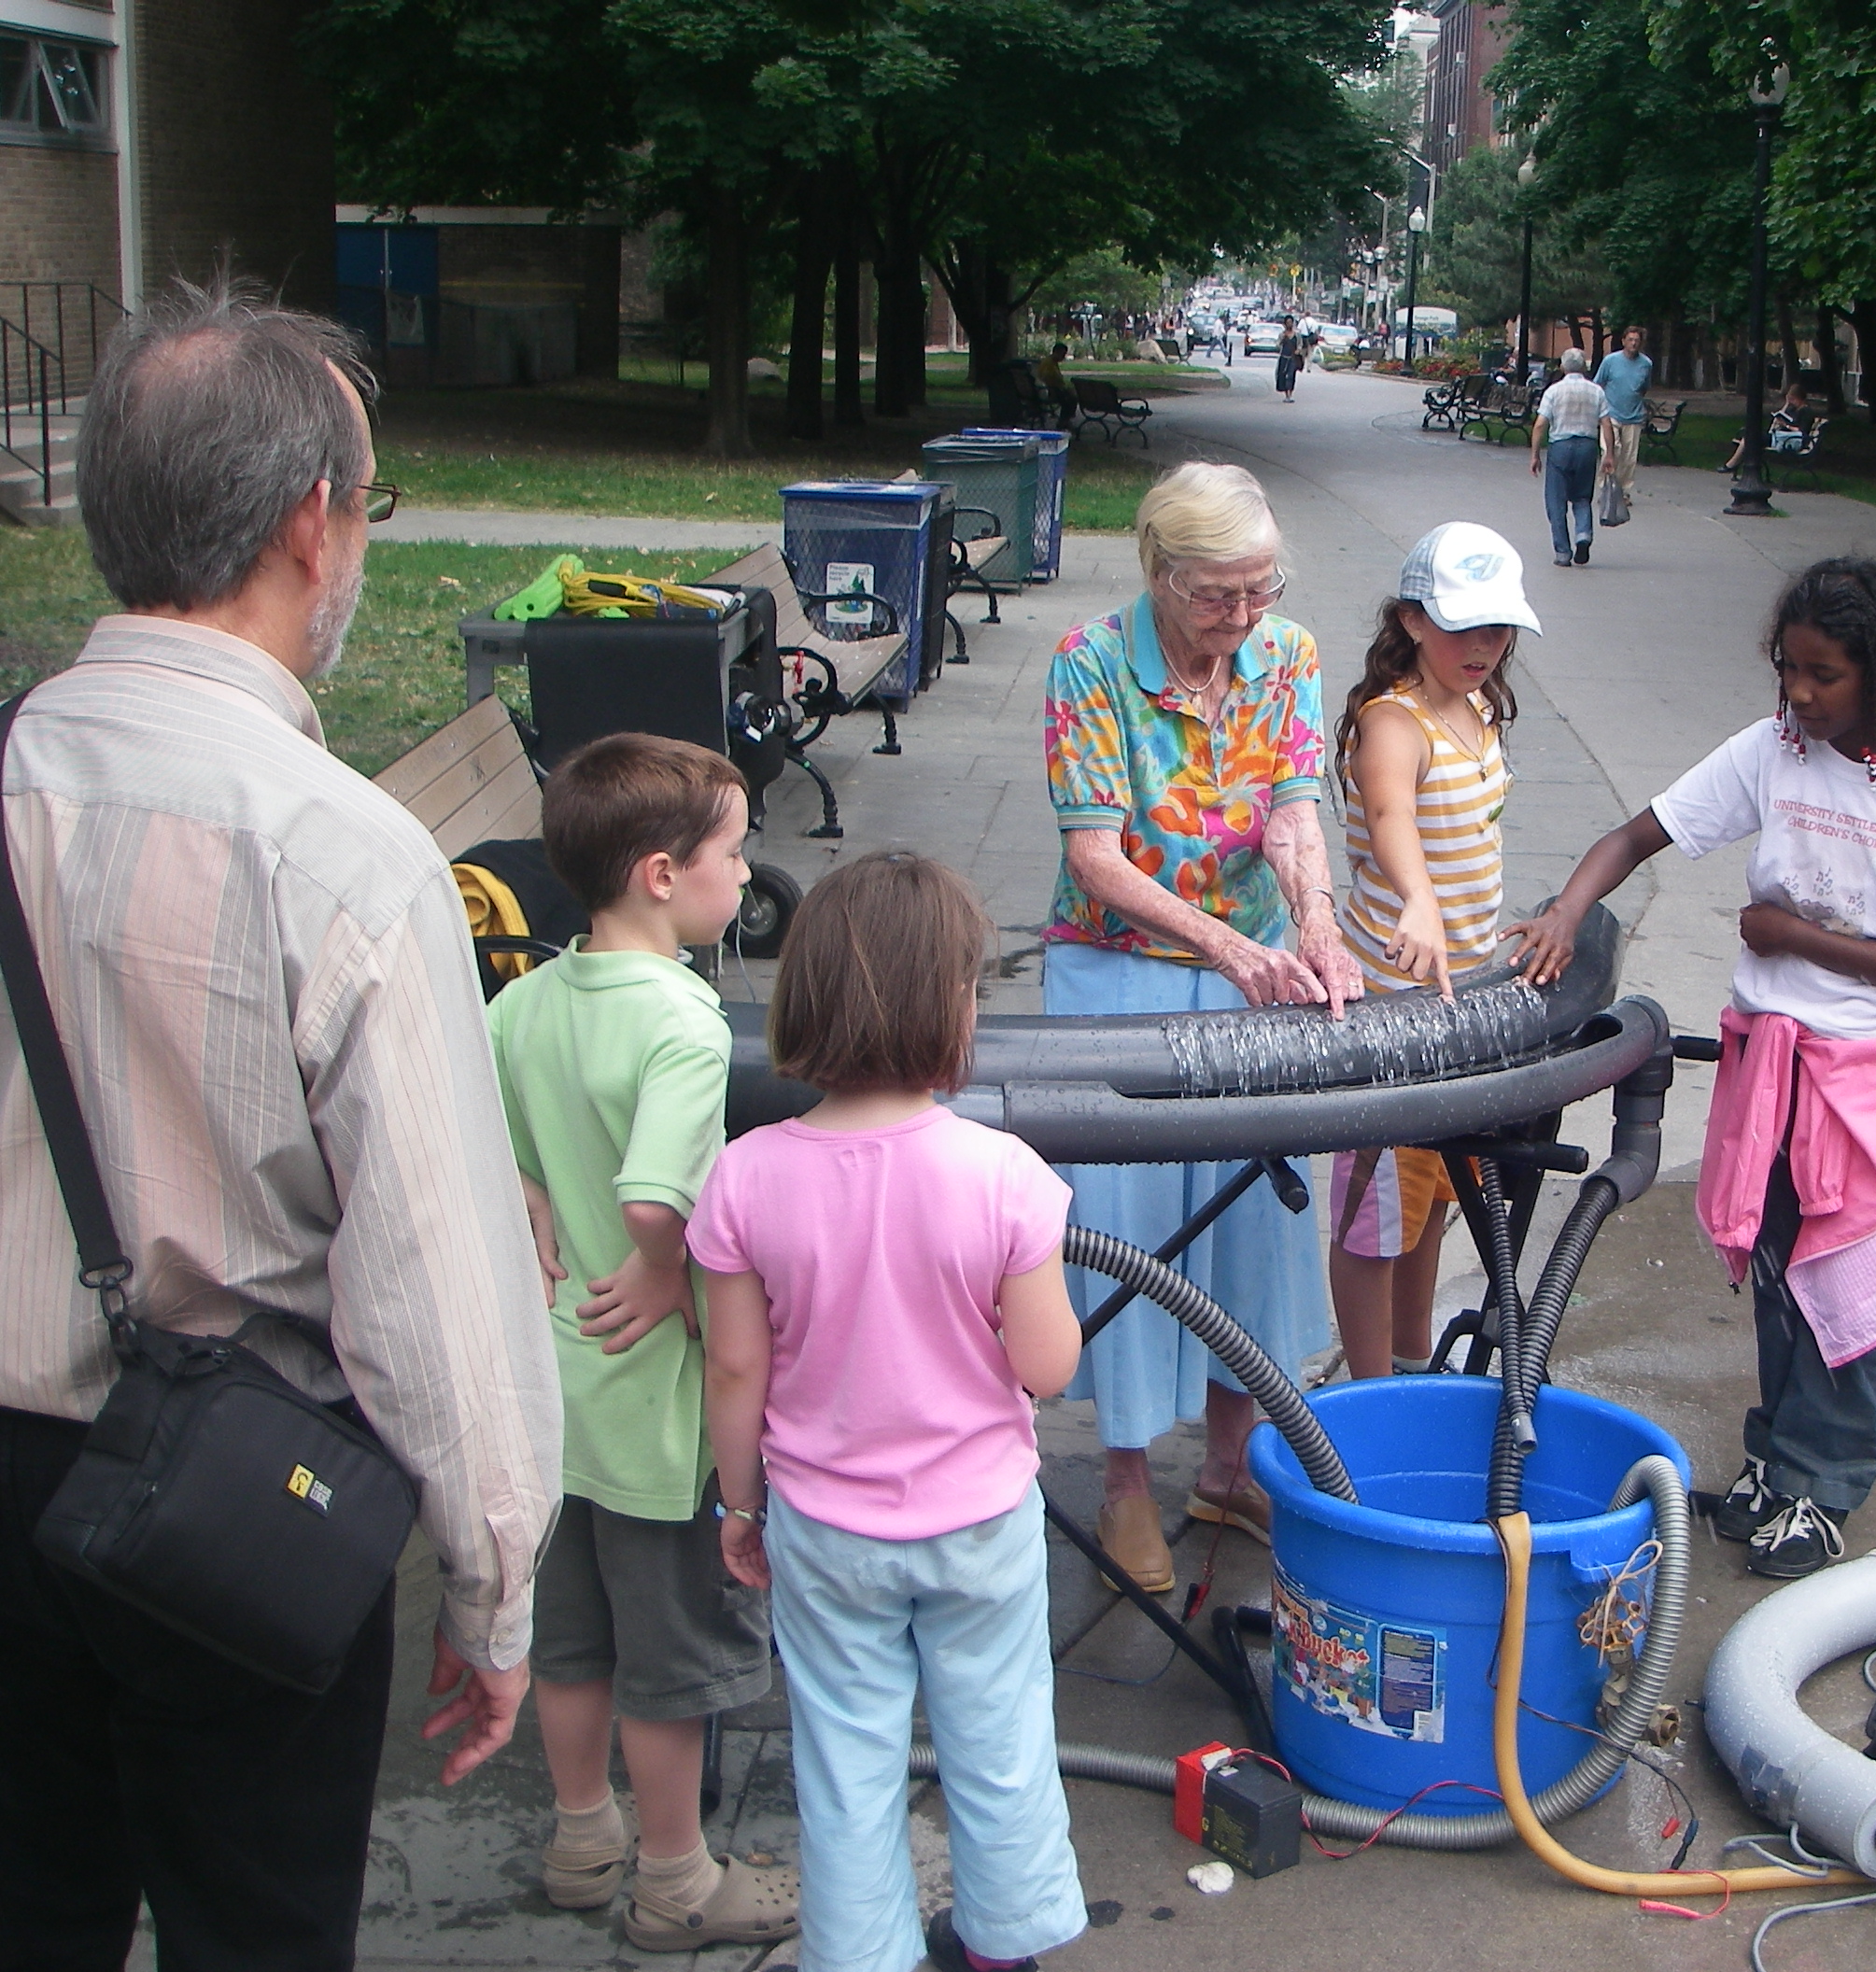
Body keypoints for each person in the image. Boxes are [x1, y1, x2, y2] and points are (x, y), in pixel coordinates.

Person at [0, 278, 562, 1969]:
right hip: (241, 1493)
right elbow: (437, 1282)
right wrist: (492, 1584)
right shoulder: (341, 855)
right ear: (313, 523)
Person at [1510, 557, 1876, 1581]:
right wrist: (1565, 910)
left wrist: (1793, 936)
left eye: (1823, 675)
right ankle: (1776, 1463)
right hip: (1773, 1059)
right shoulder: (1775, 750)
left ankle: (1827, 1484)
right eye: (1787, 670)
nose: (1798, 695)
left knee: (1842, 1278)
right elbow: (1639, 834)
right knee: (1780, 1269)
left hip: (1872, 1076)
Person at [695, 853, 1087, 1972]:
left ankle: (861, 1953)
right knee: (1000, 1739)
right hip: (978, 1524)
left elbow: (734, 1372)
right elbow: (1047, 1367)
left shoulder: (745, 1176)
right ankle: (1003, 1942)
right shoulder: (1002, 1173)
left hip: (824, 1527)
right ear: (951, 1006)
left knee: (844, 1759)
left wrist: (740, 1506)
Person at [486, 733, 797, 1952]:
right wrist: (667, 1270)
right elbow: (655, 1202)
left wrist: (530, 1191)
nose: (747, 872)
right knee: (668, 1662)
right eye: (734, 852)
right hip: (656, 1415)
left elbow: (496, 1142)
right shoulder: (684, 1020)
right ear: (663, 875)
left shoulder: (523, 1001)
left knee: (569, 1643)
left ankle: (582, 1838)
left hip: (553, 1388)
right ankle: (675, 1880)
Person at [1040, 462, 1359, 1592]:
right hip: (1119, 969)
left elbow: (1293, 810)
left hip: (1256, 965)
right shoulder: (1089, 663)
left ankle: (1231, 1464)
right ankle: (1125, 1481)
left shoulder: (1287, 653)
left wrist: (1315, 924)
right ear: (1158, 573)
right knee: (1131, 1230)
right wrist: (1227, 949)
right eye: (1217, 594)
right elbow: (1095, 856)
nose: (1241, 615)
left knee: (1253, 1224)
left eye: (1259, 589)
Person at [1328, 523, 1537, 1378]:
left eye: (1498, 628)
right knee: (1373, 1216)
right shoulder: (1394, 721)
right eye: (1462, 627)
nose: (1483, 646)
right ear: (1412, 620)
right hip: (1392, 1013)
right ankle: (1369, 1394)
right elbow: (1390, 818)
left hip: (1458, 1002)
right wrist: (1418, 899)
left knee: (1435, 1193)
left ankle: (1412, 1363)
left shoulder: (1478, 707)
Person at [1529, 345, 1607, 567]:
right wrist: (1609, 454)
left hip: (1560, 447)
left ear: (1563, 367)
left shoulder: (1554, 391)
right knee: (1582, 497)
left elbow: (1540, 424)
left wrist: (1535, 455)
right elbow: (1606, 423)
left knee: (1556, 501)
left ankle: (1563, 552)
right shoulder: (1596, 391)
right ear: (1583, 367)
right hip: (1587, 447)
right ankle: (1583, 534)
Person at [1596, 325, 1655, 499]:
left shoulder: (1646, 364)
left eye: (1637, 340)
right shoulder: (1610, 361)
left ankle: (1623, 492)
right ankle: (1606, 488)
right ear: (1623, 341)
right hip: (1610, 415)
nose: (1633, 343)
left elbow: (1644, 388)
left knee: (1628, 459)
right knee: (1611, 451)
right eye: (1630, 340)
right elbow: (1598, 384)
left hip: (1634, 416)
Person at [1036, 342, 1079, 424]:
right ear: (1056, 352)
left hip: (1051, 389)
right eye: (1062, 354)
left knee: (1070, 397)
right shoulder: (1049, 364)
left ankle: (1065, 420)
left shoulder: (1051, 362)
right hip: (1051, 391)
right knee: (1070, 399)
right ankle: (1064, 421)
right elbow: (1048, 379)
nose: (1063, 357)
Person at [1275, 317, 1302, 401]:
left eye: (1291, 322)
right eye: (1288, 322)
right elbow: (1277, 345)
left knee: (1291, 376)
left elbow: (1300, 344)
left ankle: (1290, 394)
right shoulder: (1282, 335)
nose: (1289, 324)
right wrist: (1282, 339)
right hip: (1284, 357)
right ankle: (1286, 395)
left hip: (1293, 358)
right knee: (1283, 376)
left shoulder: (1297, 335)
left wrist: (1298, 350)